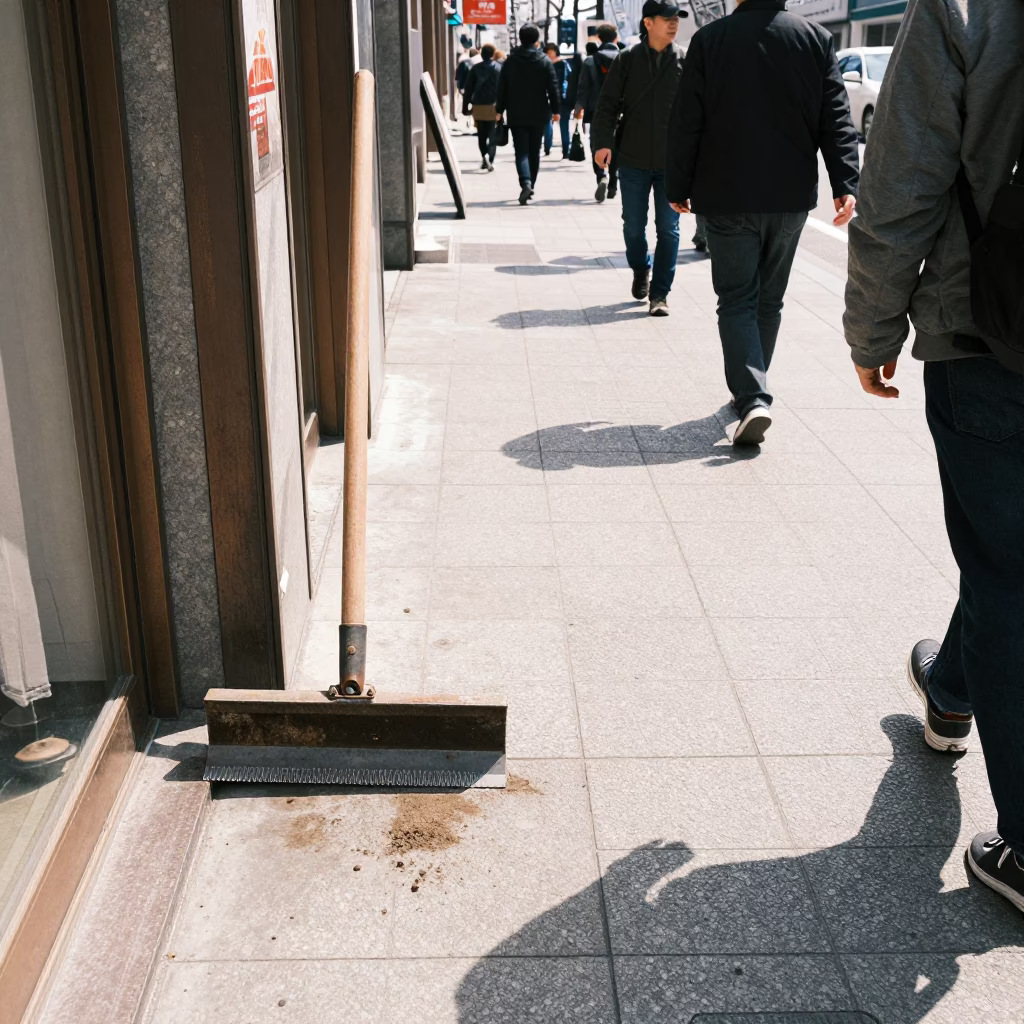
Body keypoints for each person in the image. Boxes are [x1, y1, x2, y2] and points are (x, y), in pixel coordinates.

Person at [844, 0, 1024, 914]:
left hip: (991, 331)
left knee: (1005, 569)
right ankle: (950, 688)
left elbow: (904, 175)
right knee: (1004, 561)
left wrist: (872, 324)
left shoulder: (962, 8)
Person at [666, 0, 858, 444]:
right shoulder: (814, 39)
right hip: (788, 197)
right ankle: (753, 391)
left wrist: (678, 185)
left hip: (726, 193)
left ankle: (753, 396)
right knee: (769, 301)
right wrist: (846, 181)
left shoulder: (709, 40)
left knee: (736, 299)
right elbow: (836, 118)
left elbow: (686, 121)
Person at [591, 2, 686, 316]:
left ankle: (660, 294)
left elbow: (699, 113)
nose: (674, 25)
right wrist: (602, 144)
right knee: (633, 228)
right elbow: (607, 105)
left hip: (672, 163)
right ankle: (640, 268)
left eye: (677, 19)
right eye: (667, 19)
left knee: (669, 230)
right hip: (631, 159)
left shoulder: (686, 60)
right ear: (648, 22)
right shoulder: (628, 59)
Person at [496, 24, 560, 205]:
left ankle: (525, 182)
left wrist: (499, 110)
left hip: (516, 112)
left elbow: (502, 88)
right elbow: (553, 88)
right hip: (539, 113)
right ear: (536, 41)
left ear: (520, 38)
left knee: (521, 151)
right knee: (535, 151)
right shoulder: (545, 61)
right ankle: (531, 184)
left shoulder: (510, 61)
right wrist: (556, 110)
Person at [573, 24, 621, 202]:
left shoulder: (590, 61)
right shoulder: (624, 58)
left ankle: (601, 175)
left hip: (596, 112)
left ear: (598, 38)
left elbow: (583, 88)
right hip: (620, 113)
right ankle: (614, 184)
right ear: (615, 38)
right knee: (616, 147)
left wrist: (579, 107)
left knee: (597, 145)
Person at [463, 44, 502, 171]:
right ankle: (490, 159)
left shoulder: (475, 68)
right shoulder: (498, 68)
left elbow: (468, 89)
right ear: (492, 54)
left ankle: (484, 155)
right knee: (492, 134)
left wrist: (465, 107)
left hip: (478, 105)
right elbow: (504, 89)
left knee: (481, 134)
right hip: (493, 106)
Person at [542, 43, 572, 157]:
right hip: (547, 97)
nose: (549, 55)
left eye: (551, 52)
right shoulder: (545, 64)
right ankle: (547, 148)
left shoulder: (562, 64)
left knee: (564, 124)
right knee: (547, 123)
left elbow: (568, 81)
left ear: (556, 52)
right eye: (547, 52)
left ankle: (565, 151)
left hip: (562, 99)